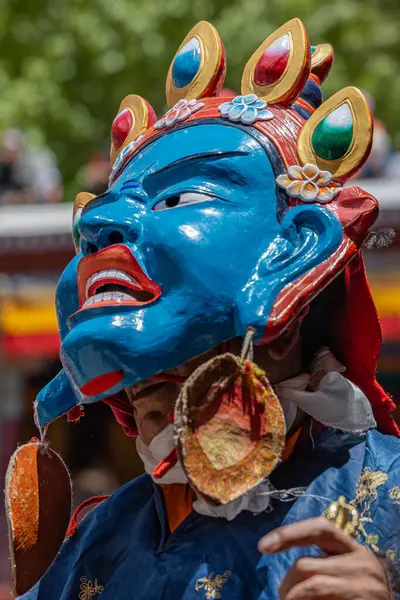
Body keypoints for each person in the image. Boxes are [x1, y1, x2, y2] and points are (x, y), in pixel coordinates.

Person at [7, 19, 400, 600]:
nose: (96, 225)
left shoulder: (386, 490)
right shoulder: (100, 541)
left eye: (178, 197)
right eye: (141, 383)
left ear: (293, 248)